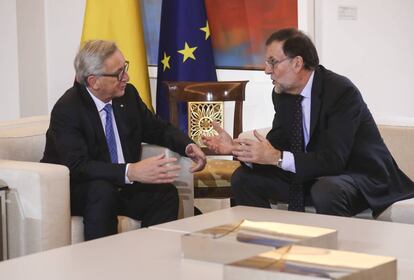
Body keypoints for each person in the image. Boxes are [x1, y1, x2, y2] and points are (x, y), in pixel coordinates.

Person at [202, 28, 414, 217]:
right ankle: (269, 246)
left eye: (272, 62)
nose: (266, 70)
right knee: (244, 179)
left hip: (357, 176)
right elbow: (278, 144)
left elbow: (334, 160)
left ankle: (332, 257)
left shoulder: (340, 91)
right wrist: (237, 148)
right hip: (315, 177)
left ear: (297, 63)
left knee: (326, 189)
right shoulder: (281, 94)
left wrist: (276, 157)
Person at [41, 40, 206, 240]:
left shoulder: (127, 96)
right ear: (94, 82)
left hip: (121, 186)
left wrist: (187, 145)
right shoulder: (68, 109)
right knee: (102, 191)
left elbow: (156, 127)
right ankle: (103, 266)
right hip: (82, 189)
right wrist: (131, 171)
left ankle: (155, 260)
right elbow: (78, 166)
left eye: (124, 68)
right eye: (119, 73)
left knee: (165, 194)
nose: (126, 77)